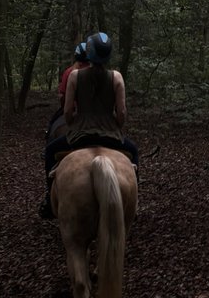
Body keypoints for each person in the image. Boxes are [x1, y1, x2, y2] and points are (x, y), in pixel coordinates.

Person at [39, 32, 139, 219]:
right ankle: (134, 203)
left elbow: (67, 111)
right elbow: (122, 113)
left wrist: (73, 122)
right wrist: (116, 125)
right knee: (134, 152)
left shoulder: (74, 76)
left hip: (80, 135)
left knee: (50, 151)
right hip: (111, 136)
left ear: (89, 53)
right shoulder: (117, 77)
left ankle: (49, 199)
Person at [45, 42, 88, 143]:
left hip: (73, 109)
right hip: (92, 111)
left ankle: (48, 140)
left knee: (52, 125)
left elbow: (62, 96)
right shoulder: (95, 71)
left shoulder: (69, 72)